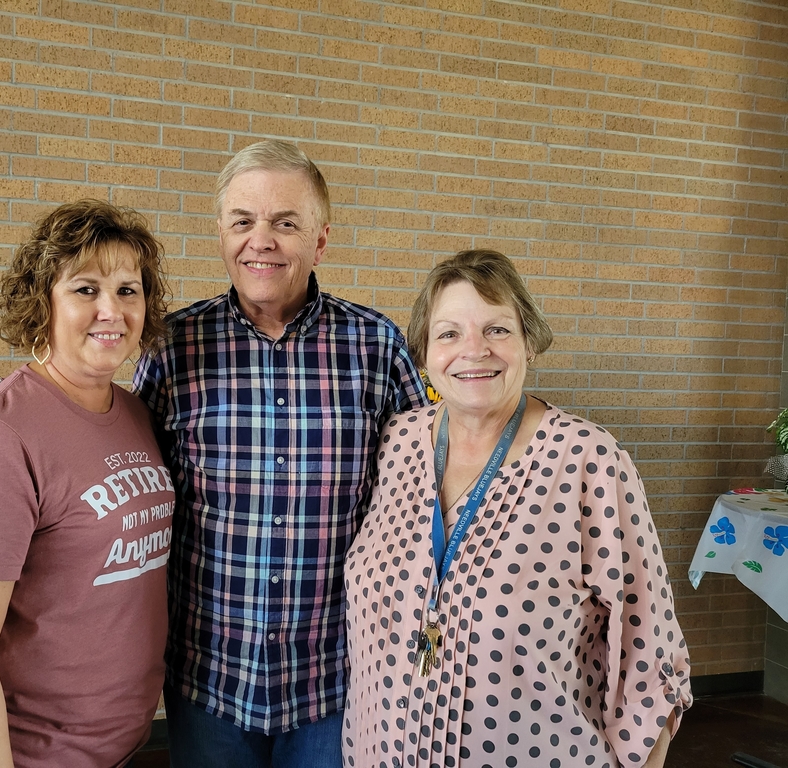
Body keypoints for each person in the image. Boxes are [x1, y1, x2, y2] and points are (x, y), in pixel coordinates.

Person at [133, 139, 429, 767]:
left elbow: (423, 496)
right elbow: (139, 499)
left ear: (320, 240)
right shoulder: (172, 349)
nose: (260, 240)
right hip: (209, 678)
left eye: (286, 223)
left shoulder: (377, 347)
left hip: (336, 679)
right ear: (221, 233)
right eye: (243, 221)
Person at [342, 249, 693, 768]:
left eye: (497, 330)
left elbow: (649, 643)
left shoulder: (587, 460)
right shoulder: (394, 443)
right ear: (424, 353)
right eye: (449, 333)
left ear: (529, 339)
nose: (474, 350)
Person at [0, 199, 174, 768]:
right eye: (86, 289)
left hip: (117, 749)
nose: (111, 310)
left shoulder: (134, 413)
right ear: (43, 302)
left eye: (128, 291)